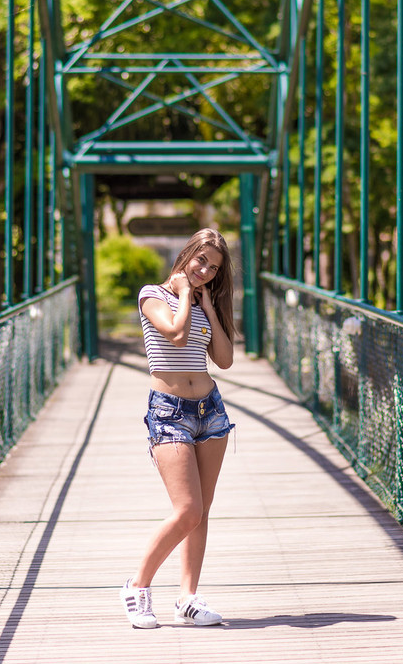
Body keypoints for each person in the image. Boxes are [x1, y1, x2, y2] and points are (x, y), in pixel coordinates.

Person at [120, 228, 237, 629]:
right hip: (169, 410)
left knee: (201, 511)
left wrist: (209, 308)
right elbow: (174, 332)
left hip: (210, 410)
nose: (205, 270)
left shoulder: (205, 302)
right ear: (187, 254)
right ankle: (137, 586)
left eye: (214, 268)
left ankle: (187, 598)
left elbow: (224, 359)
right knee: (187, 509)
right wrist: (186, 293)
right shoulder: (152, 294)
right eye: (200, 261)